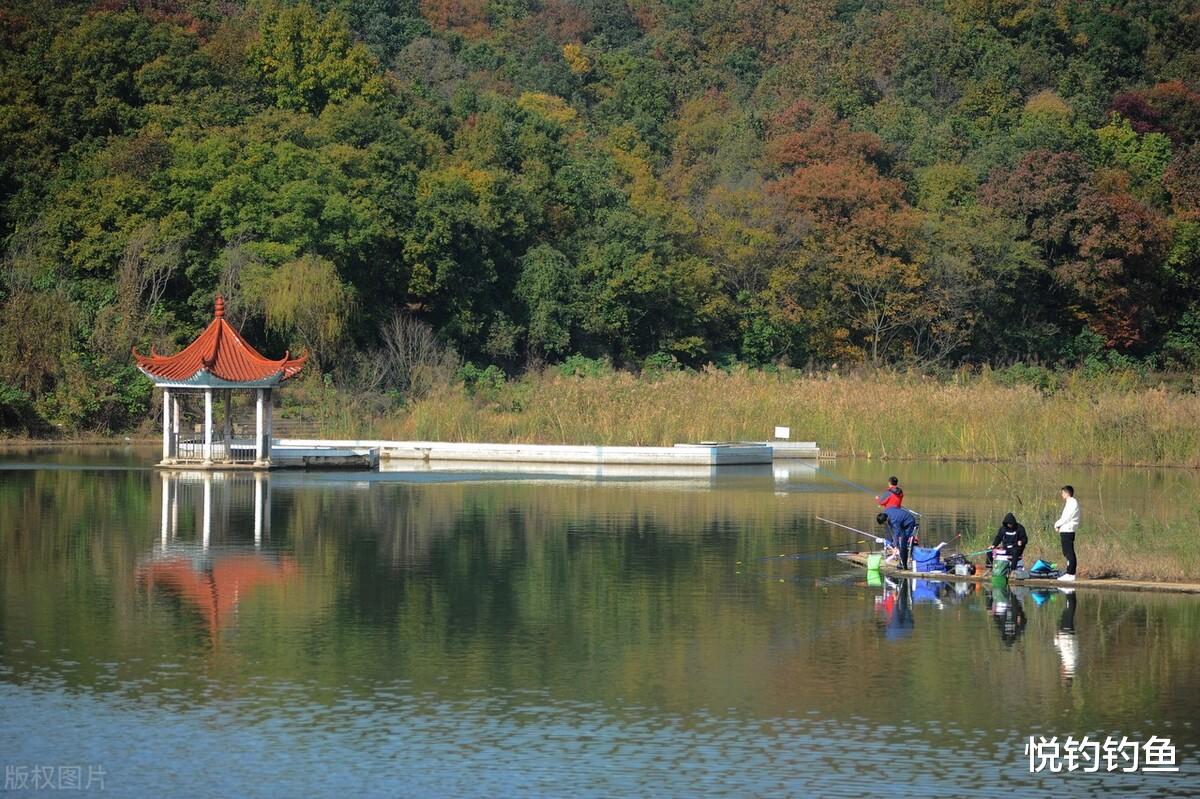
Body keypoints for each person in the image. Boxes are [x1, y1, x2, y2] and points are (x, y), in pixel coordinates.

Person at [877, 506, 918, 570]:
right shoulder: (886, 513)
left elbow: (896, 533)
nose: (884, 525)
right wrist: (893, 543)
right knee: (897, 540)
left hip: (909, 522)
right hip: (902, 521)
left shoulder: (894, 521)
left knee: (903, 542)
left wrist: (895, 545)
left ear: (886, 520)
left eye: (884, 523)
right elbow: (890, 531)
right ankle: (900, 553)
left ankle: (904, 564)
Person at [1054, 485, 1080, 581]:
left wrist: (1057, 524)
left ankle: (1071, 573)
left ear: (1067, 493)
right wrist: (1059, 526)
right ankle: (1069, 572)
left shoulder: (1072, 502)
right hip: (1065, 529)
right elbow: (1065, 517)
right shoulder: (1069, 502)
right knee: (1066, 552)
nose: (1062, 495)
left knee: (1069, 552)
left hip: (1068, 530)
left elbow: (1067, 517)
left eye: (1063, 493)